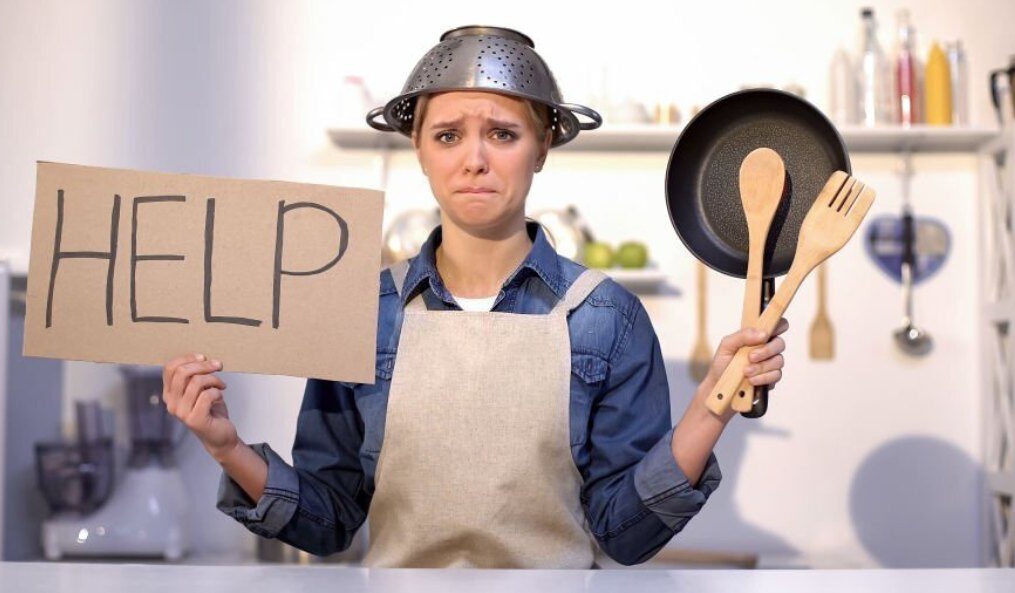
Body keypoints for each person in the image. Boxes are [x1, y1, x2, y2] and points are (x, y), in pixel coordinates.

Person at [161, 25, 787, 568]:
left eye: (504, 135)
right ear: (419, 149)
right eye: (449, 135)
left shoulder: (607, 318)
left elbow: (624, 534)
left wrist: (712, 407)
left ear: (543, 146)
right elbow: (327, 523)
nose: (476, 160)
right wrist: (227, 447)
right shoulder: (362, 311)